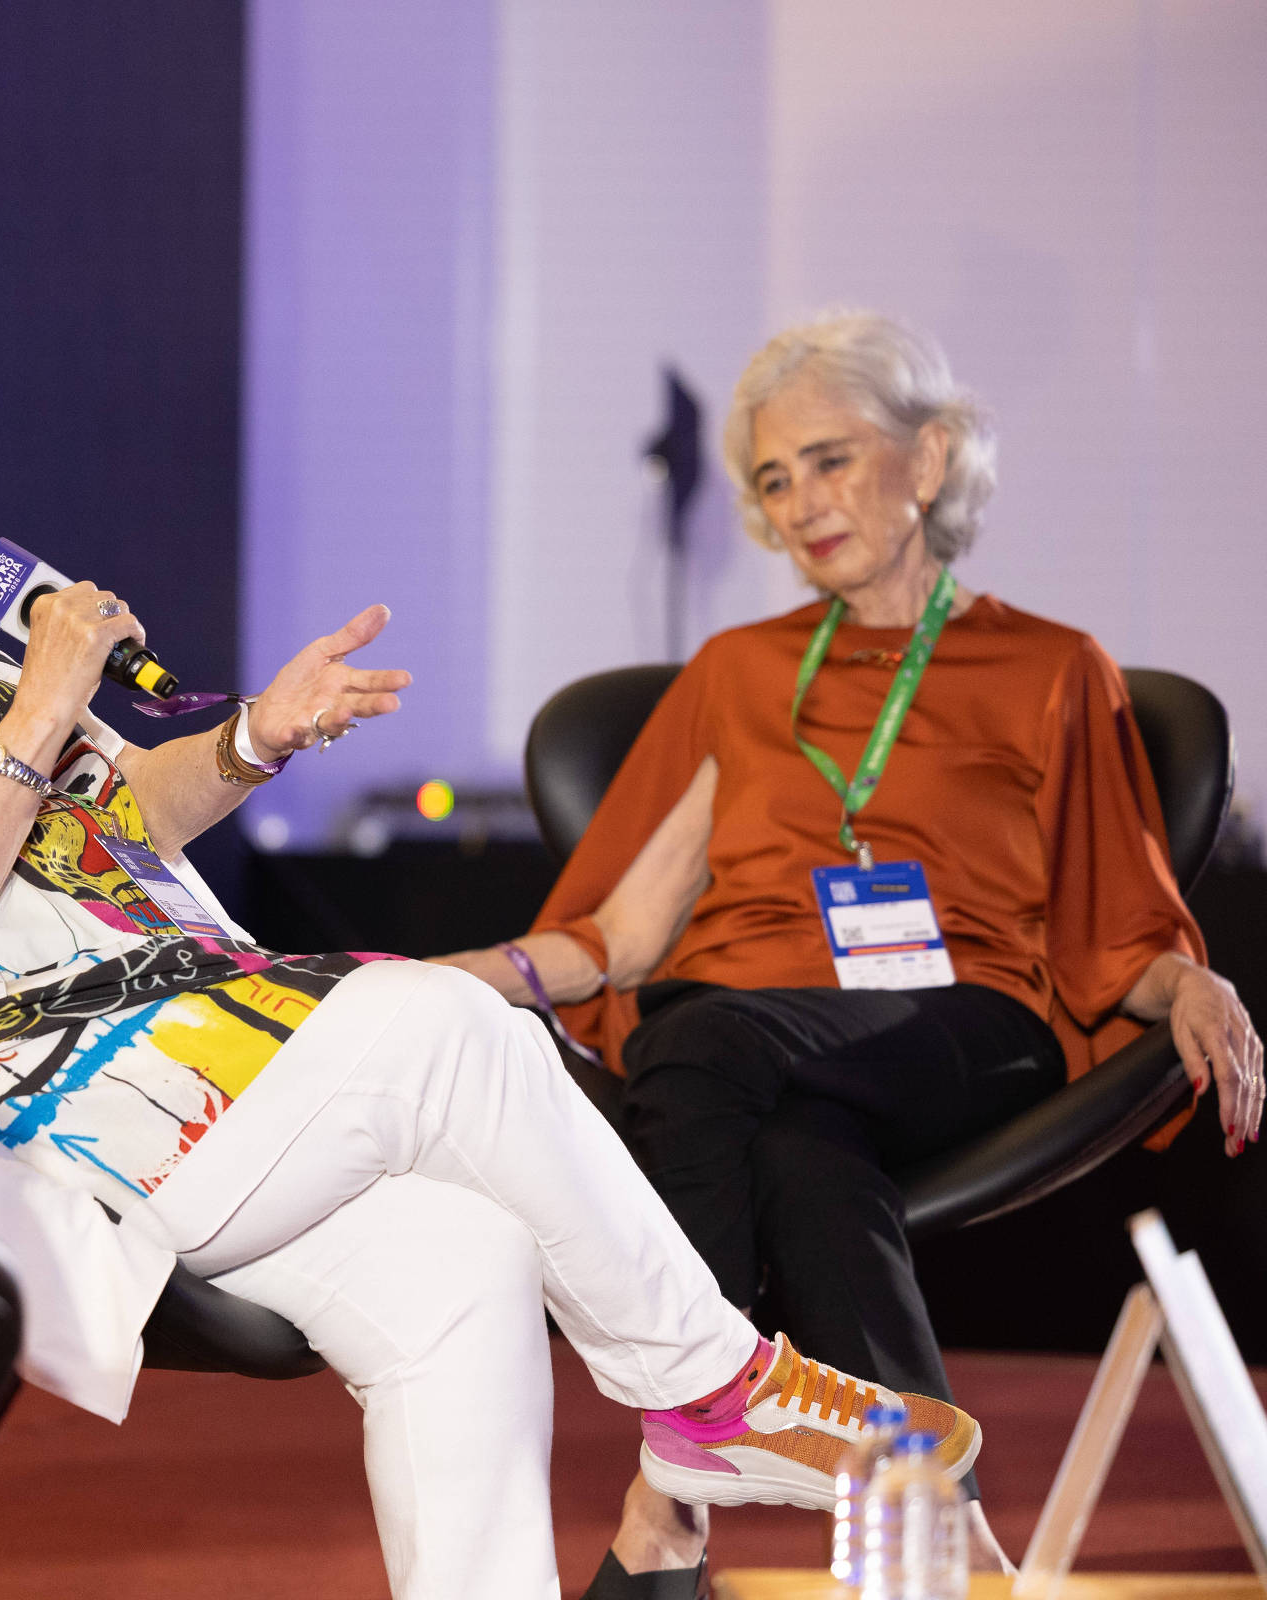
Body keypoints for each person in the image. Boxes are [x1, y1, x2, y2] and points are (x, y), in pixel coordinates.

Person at [0, 286, 980, 1600]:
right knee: (458, 1028)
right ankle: (711, 1389)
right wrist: (40, 714)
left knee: (466, 1269)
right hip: (40, 1106)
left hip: (183, 1041)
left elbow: (113, 823)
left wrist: (256, 738)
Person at [440, 309, 1264, 1595]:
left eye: (830, 459)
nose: (801, 502)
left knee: (701, 1043)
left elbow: (1111, 920)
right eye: (775, 479)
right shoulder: (734, 671)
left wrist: (1193, 979)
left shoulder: (1052, 666)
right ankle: (954, 1550)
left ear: (927, 462)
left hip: (956, 1021)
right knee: (797, 1157)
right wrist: (417, 983)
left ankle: (674, 1486)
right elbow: (624, 931)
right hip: (747, 1037)